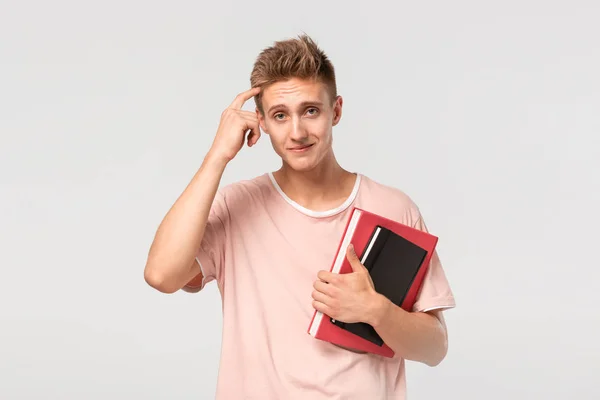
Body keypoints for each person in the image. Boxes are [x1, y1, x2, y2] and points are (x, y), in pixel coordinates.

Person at [144, 34, 456, 399]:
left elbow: (435, 349)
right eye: (280, 115)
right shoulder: (236, 207)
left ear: (336, 110)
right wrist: (217, 156)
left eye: (311, 110)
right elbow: (162, 275)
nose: (297, 132)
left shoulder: (394, 208)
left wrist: (375, 310)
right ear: (260, 121)